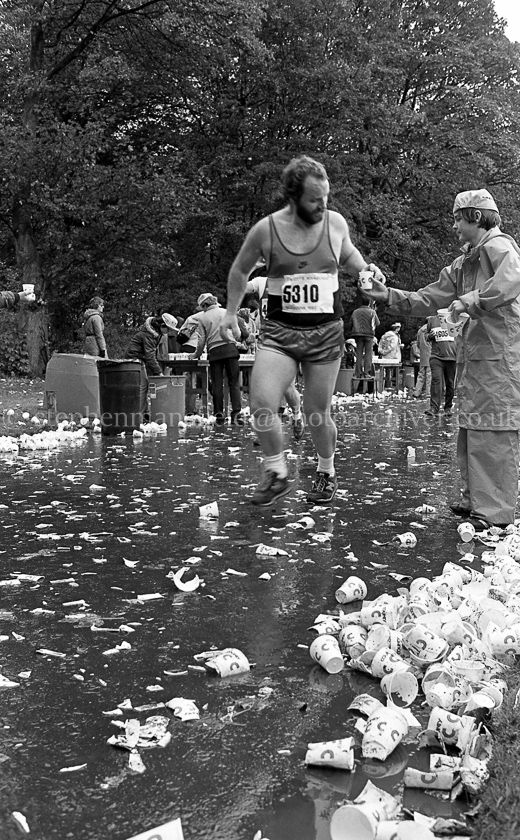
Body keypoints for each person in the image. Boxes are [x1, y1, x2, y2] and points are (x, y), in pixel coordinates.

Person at [220, 154, 385, 506]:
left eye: (326, 198)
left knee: (315, 412)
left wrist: (366, 271)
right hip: (280, 333)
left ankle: (326, 470)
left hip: (325, 333)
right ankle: (277, 472)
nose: (322, 206)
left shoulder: (335, 224)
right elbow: (239, 271)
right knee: (262, 403)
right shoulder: (267, 230)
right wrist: (230, 314)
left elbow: (351, 256)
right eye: (315, 200)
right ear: (293, 197)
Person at [364, 188, 520, 531]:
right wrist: (386, 294)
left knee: (494, 429)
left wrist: (469, 302)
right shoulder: (465, 262)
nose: (453, 226)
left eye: (456, 218)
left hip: (500, 359)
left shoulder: (499, 247)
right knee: (472, 427)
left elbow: (510, 282)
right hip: (478, 358)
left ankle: (493, 513)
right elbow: (428, 298)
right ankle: (476, 498)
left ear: (475, 217)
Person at [245, 270, 305, 440]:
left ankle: (297, 415)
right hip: (266, 339)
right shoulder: (261, 282)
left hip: (289, 338)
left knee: (287, 387)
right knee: (263, 386)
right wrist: (247, 267)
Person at [190, 293, 248, 426]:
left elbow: (201, 341)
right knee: (234, 383)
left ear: (204, 305)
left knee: (217, 384)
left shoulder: (203, 318)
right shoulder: (227, 312)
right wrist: (236, 342)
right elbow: (237, 332)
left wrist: (196, 355)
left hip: (215, 353)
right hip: (230, 350)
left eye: (202, 307)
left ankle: (219, 415)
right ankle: (236, 414)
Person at [125, 313, 178, 422]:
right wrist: (159, 372)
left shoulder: (152, 332)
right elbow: (150, 356)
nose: (168, 332)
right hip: (134, 359)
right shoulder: (150, 335)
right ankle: (138, 416)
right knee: (142, 386)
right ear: (162, 326)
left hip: (139, 359)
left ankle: (144, 414)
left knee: (143, 385)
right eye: (168, 329)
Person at [424, 311, 456, 417]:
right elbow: (426, 336)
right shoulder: (432, 320)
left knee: (450, 384)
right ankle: (434, 408)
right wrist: (430, 336)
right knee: (436, 381)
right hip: (436, 357)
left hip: (452, 357)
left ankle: (448, 408)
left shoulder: (456, 317)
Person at [350, 300, 380, 379]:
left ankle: (358, 373)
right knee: (368, 354)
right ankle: (366, 372)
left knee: (359, 354)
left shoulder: (355, 312)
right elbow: (377, 323)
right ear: (369, 303)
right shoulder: (372, 312)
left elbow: (350, 322)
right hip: (369, 335)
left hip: (358, 334)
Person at [412, 323, 431, 399]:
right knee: (429, 375)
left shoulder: (420, 330)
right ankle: (428, 393)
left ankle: (417, 392)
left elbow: (418, 344)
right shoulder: (431, 329)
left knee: (421, 374)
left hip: (423, 355)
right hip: (431, 354)